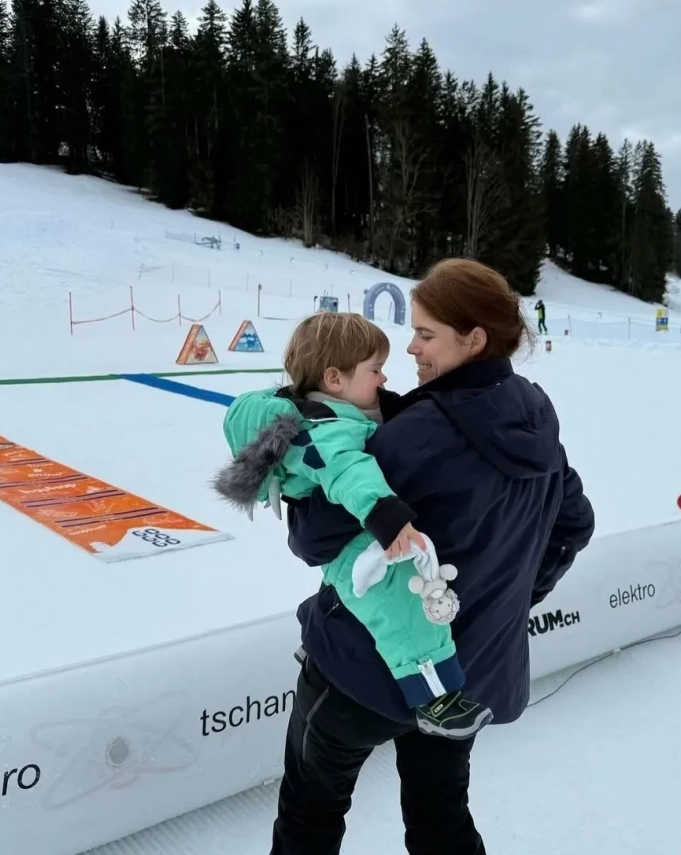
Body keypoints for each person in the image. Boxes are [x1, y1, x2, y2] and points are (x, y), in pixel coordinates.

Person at [268, 258, 596, 855]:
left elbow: (313, 539)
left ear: (474, 340)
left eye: (425, 334)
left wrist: (301, 479)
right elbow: (573, 522)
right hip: (465, 675)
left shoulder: (417, 432)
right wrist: (501, 601)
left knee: (309, 815)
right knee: (440, 819)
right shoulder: (534, 412)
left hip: (365, 669)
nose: (410, 348)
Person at [213, 312, 493, 739]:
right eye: (375, 370)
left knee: (365, 599)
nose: (384, 379)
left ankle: (319, 649)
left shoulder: (328, 411)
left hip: (345, 536)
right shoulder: (326, 431)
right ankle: (434, 696)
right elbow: (349, 472)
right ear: (334, 379)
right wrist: (388, 518)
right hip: (359, 539)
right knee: (403, 609)